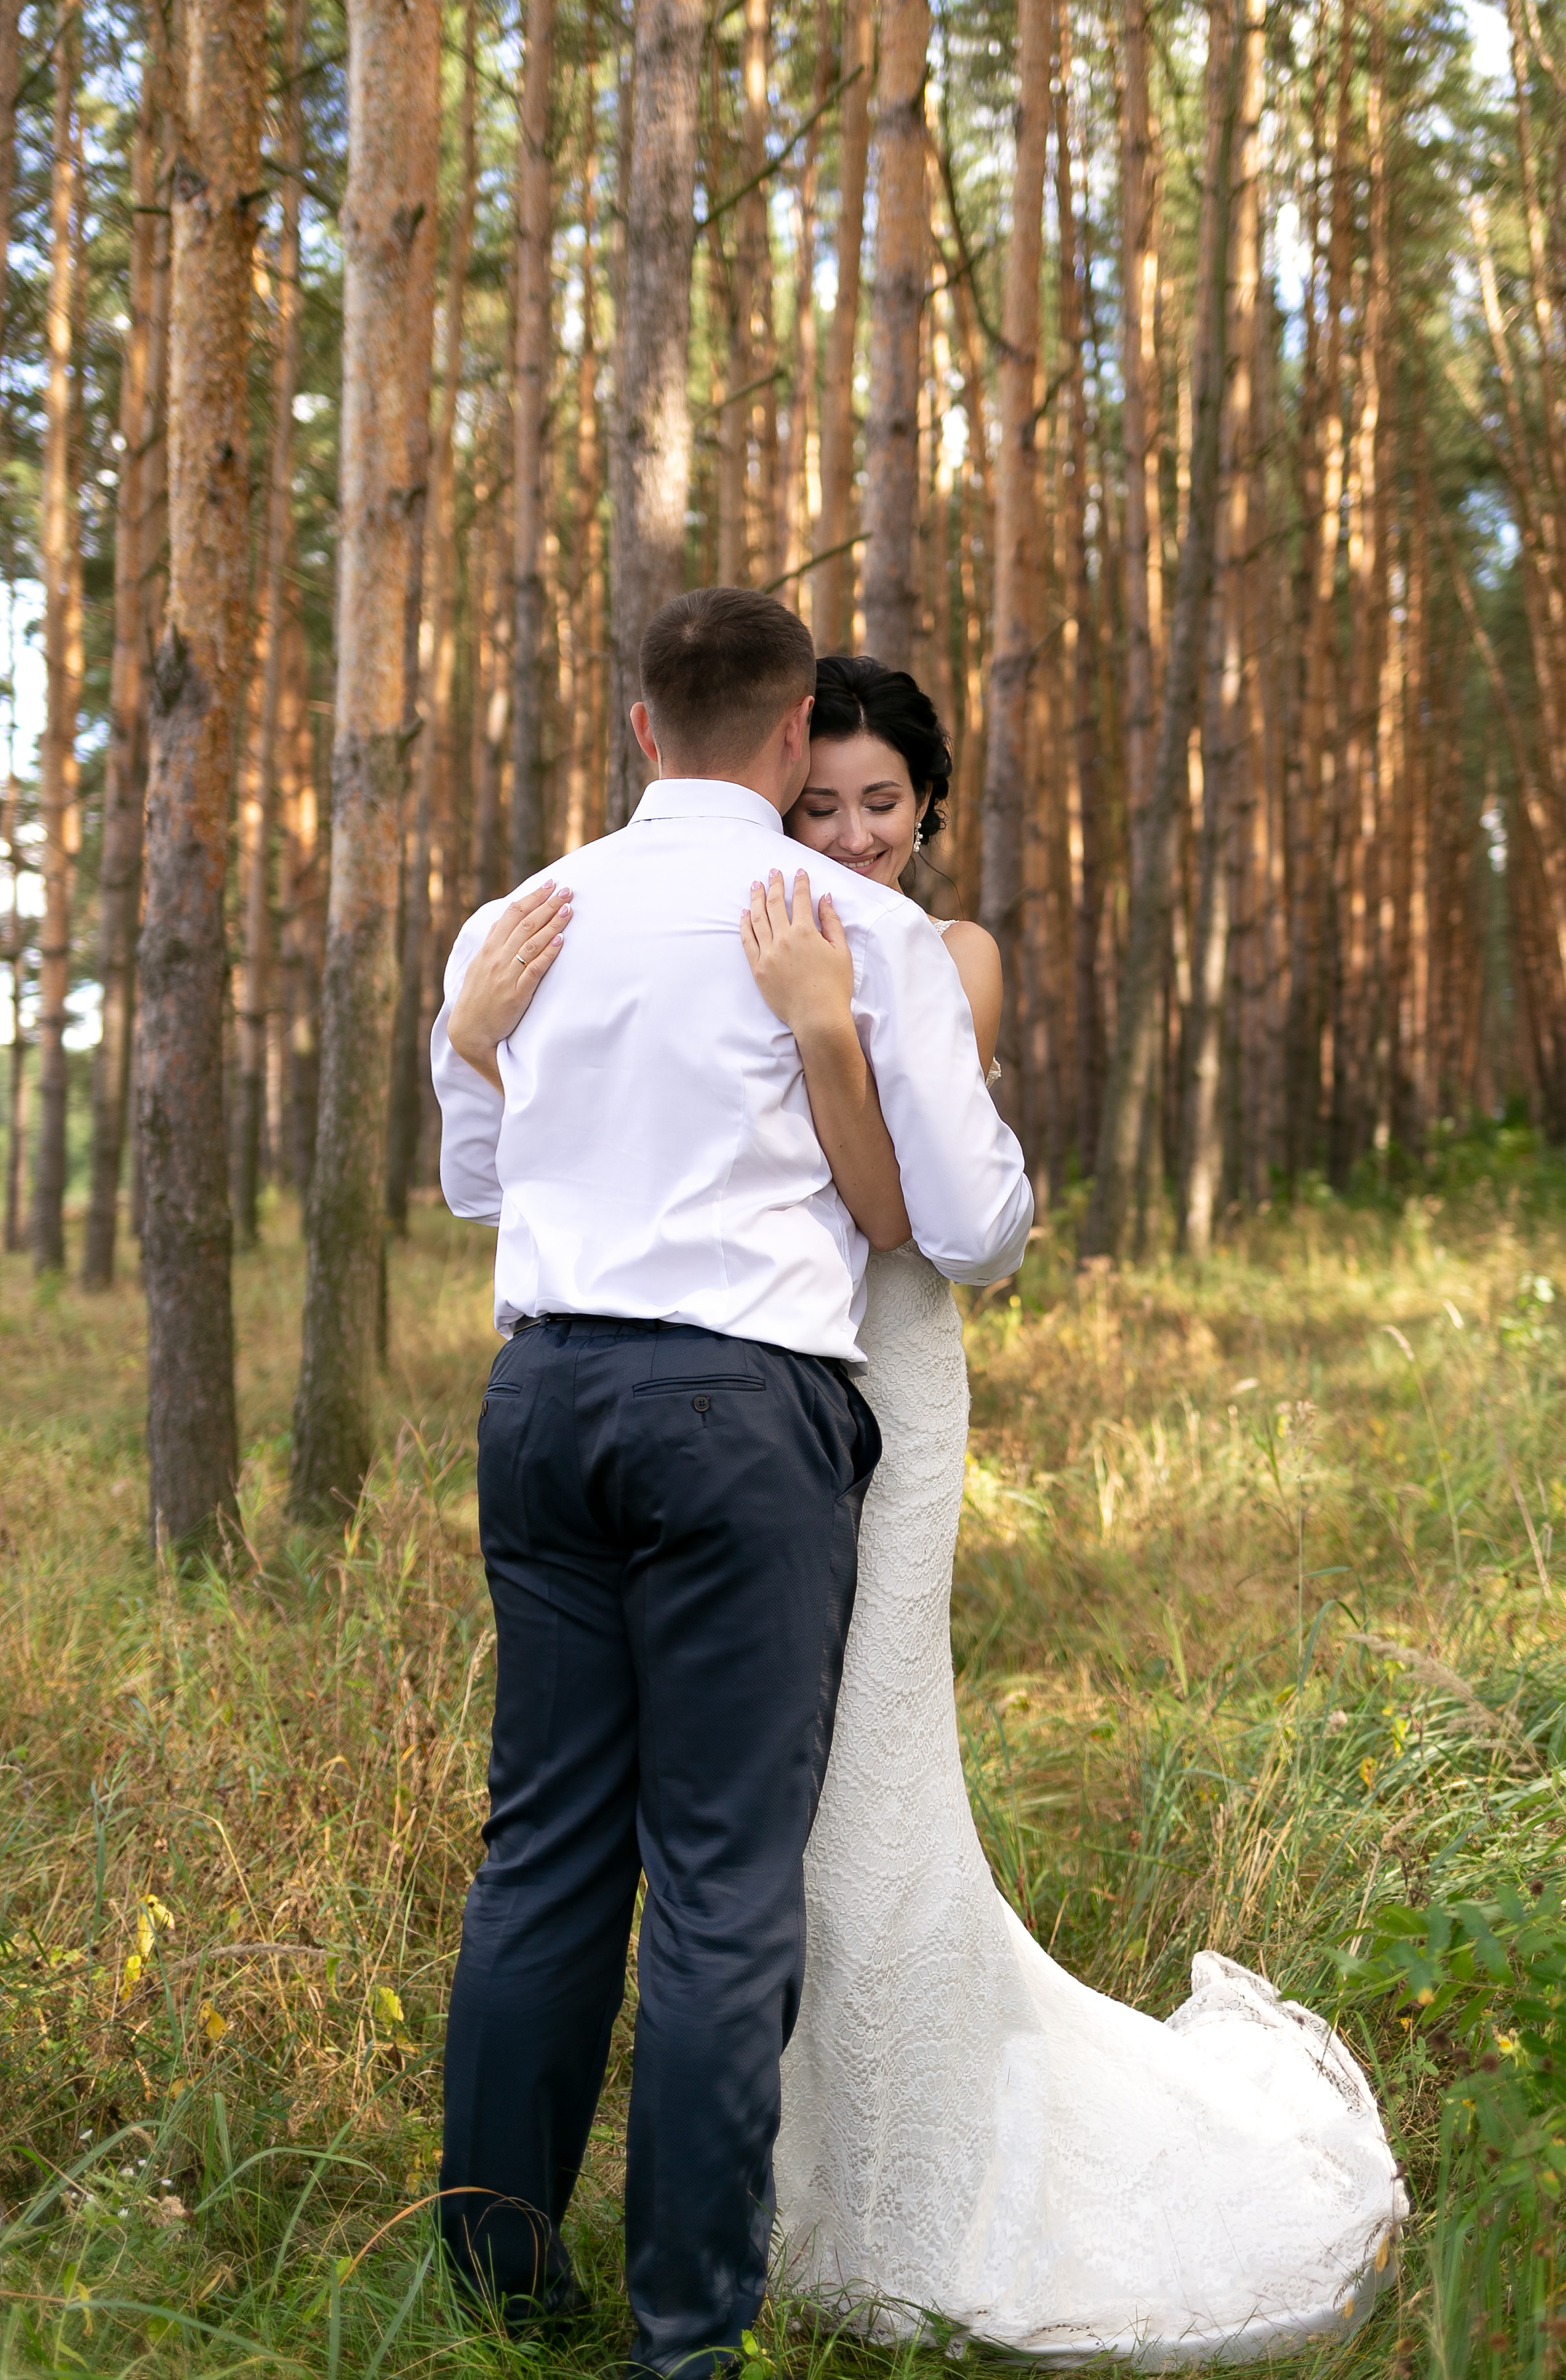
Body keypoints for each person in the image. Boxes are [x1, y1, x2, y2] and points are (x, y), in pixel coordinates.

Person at [744, 654, 1411, 2362]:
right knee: (770, 1803)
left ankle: (902, 2206)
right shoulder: (736, 932)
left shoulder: (945, 958)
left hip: (888, 1375)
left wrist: (811, 1019)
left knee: (867, 1777)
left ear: (927, 809)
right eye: (815, 804)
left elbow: (895, 1196)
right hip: (742, 1392)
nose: (851, 833)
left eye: (880, 801)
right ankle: (794, 2190)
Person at [428, 590, 1033, 2380]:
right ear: (789, 740)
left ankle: (495, 2285)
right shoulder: (852, 928)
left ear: (640, 729)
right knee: (716, 1876)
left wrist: (482, 1044)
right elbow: (978, 1229)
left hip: (541, 1396)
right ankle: (683, 2332)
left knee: (539, 1849)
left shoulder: (517, 921)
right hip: (740, 1412)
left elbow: (482, 1184)